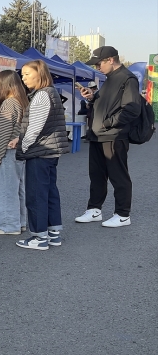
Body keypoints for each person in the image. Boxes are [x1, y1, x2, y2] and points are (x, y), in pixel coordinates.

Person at [75, 46, 142, 227]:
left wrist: (108, 123)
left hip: (114, 135)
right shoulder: (109, 78)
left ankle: (122, 214)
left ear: (110, 60)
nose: (97, 67)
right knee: (96, 175)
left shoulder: (128, 78)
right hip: (98, 135)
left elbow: (132, 109)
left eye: (99, 63)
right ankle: (94, 210)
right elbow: (106, 104)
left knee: (118, 175)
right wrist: (91, 98)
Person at [12, 60, 69, 250]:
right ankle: (53, 233)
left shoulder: (42, 95)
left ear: (40, 73)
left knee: (36, 195)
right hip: (50, 151)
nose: (24, 78)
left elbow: (34, 128)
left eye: (28, 74)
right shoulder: (50, 93)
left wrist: (24, 146)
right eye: (22, 74)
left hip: (40, 151)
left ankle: (39, 237)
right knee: (49, 192)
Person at [0, 70, 28, 235]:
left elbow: (3, 131)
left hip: (8, 151)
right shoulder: (22, 101)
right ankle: (20, 222)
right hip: (19, 150)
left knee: (5, 190)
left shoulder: (8, 103)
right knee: (18, 188)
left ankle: (8, 225)